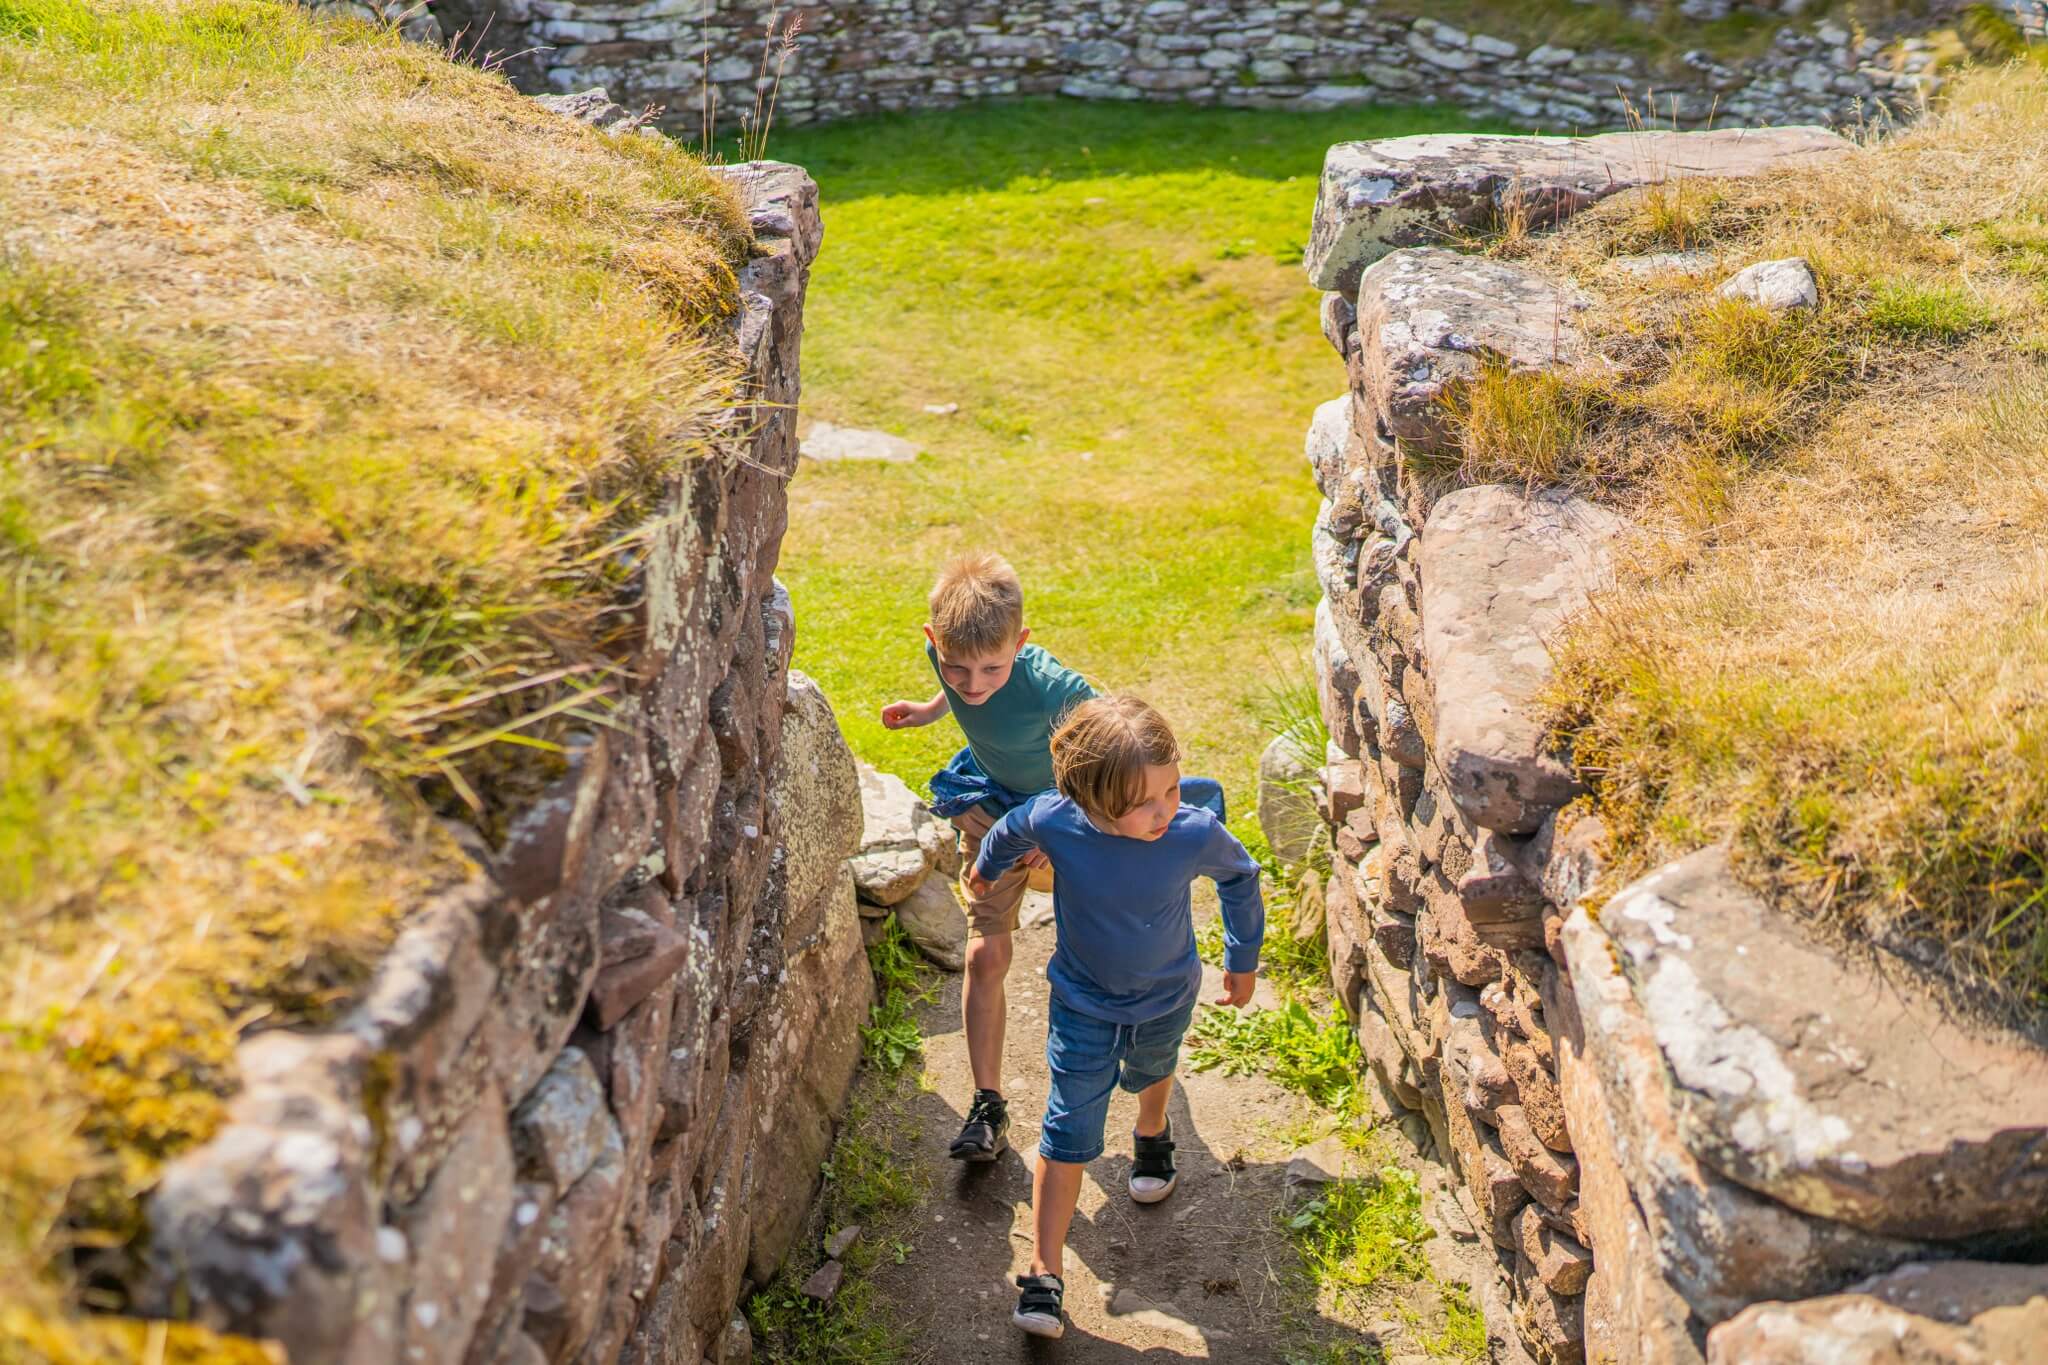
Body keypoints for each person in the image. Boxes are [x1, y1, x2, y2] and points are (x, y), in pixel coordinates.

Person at [964, 695, 1264, 1340]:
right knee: (1067, 1122)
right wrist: (985, 871)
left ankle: (1152, 1134)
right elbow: (1009, 828)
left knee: (1154, 1067)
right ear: (1090, 801)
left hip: (1166, 994)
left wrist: (1243, 958)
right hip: (1082, 1002)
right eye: (1144, 801)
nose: (1165, 810)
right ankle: (1044, 1274)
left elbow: (1240, 876)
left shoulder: (1191, 830)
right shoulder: (1056, 820)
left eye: (1172, 787)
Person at [879, 552, 1095, 1163]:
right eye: (956, 669)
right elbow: (959, 689)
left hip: (1062, 822)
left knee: (1090, 952)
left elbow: (1113, 758)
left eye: (992, 669)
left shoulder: (1062, 692)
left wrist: (1051, 831)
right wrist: (929, 709)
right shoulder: (946, 661)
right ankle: (987, 1105)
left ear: (1021, 644)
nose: (972, 685)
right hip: (992, 810)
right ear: (934, 644)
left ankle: (1107, 1070)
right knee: (985, 951)